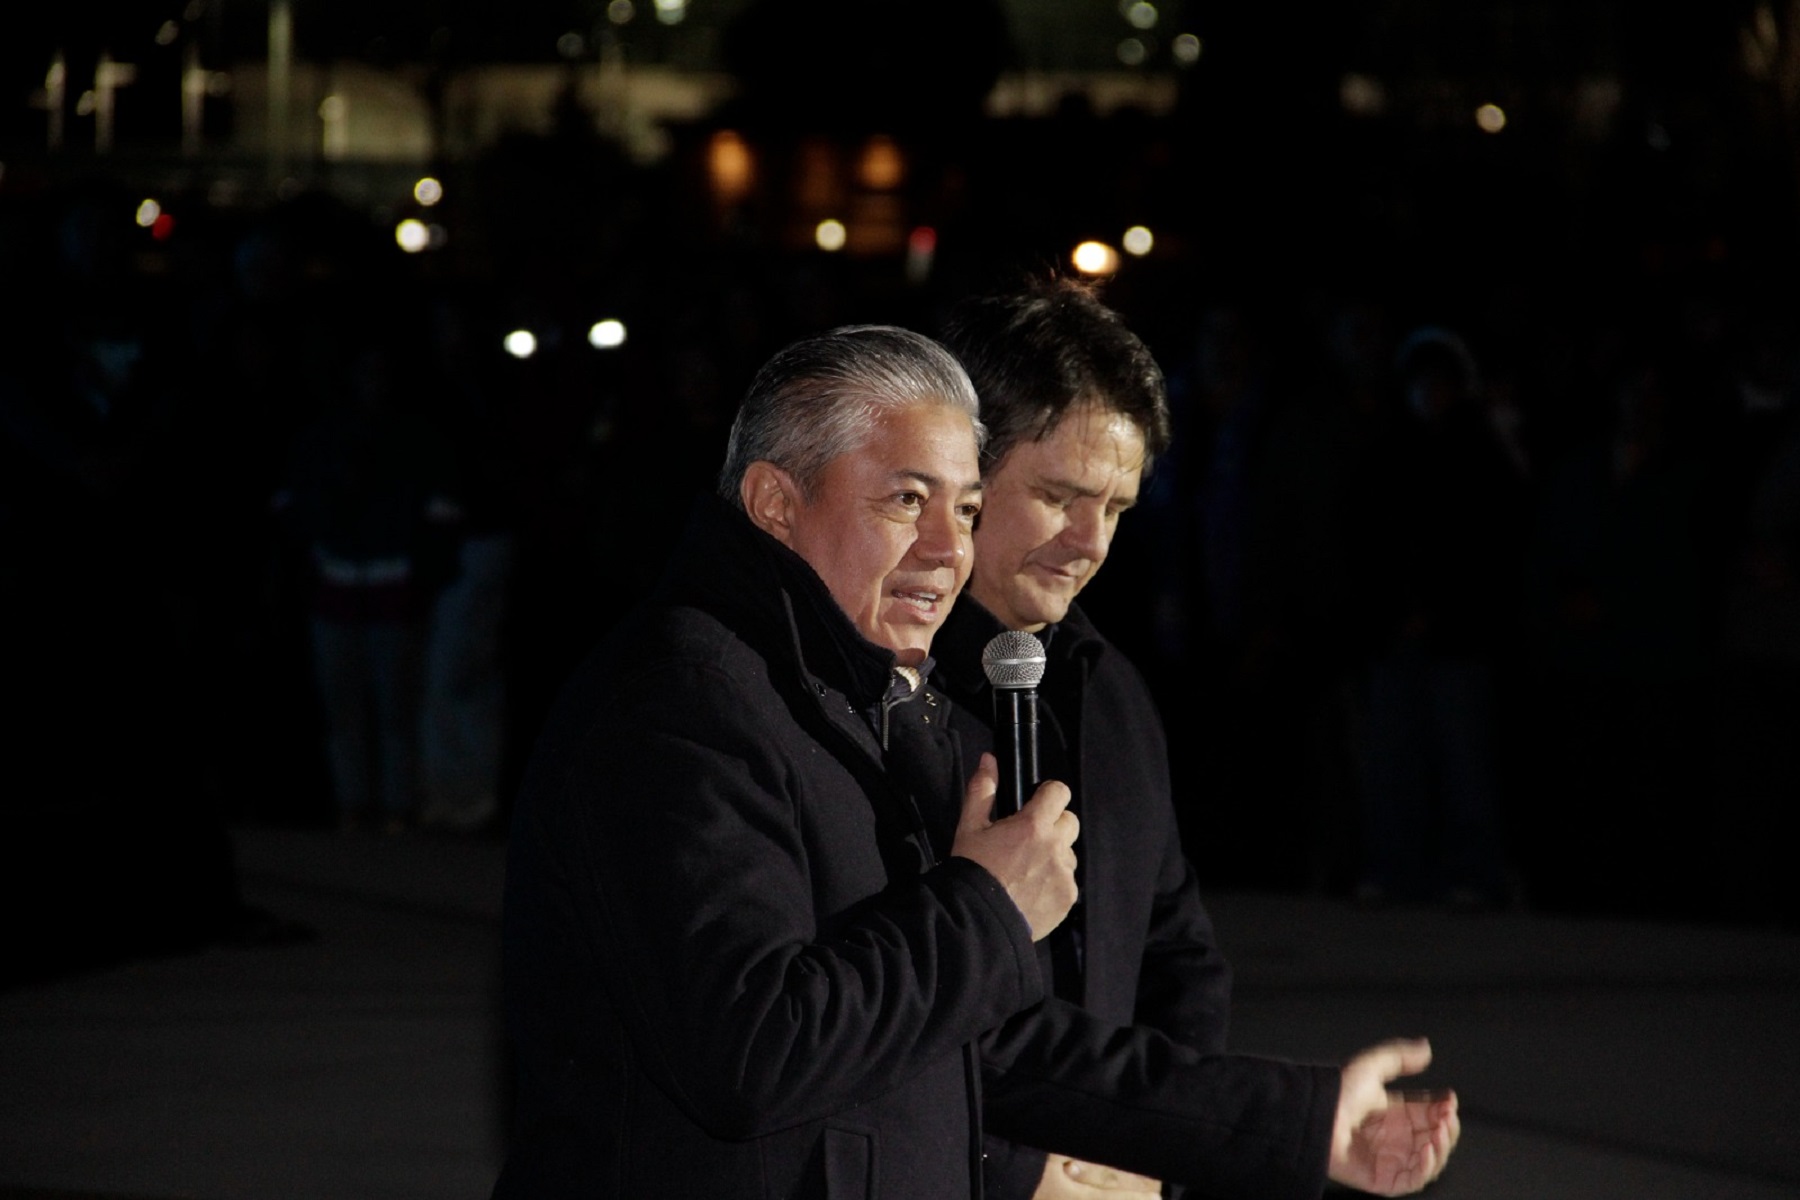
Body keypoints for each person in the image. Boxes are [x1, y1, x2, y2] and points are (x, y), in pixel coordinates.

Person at [491, 324, 1458, 1200]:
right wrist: (989, 911)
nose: (947, 548)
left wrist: (1294, 1126)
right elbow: (749, 1052)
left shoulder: (880, 695)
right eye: (907, 501)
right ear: (776, 504)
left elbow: (982, 1037)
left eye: (964, 507)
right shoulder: (682, 701)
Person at [933, 275, 1225, 1199]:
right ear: (962, 473)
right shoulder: (862, 684)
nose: (1090, 541)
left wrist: (1150, 1154)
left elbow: (1177, 961)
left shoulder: (1112, 693)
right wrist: (1016, 1173)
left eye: (1120, 509)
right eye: (1060, 496)